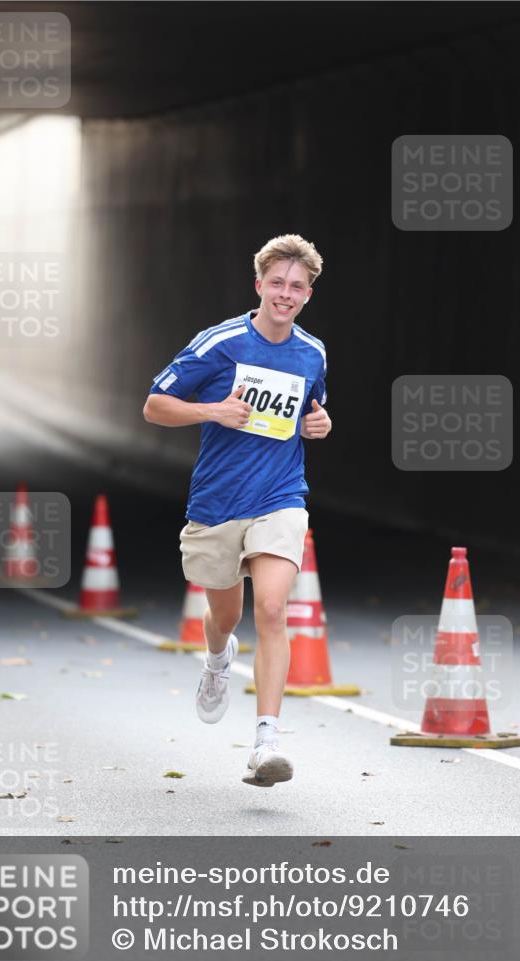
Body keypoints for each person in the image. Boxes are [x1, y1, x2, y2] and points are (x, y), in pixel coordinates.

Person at [143, 234, 332, 787]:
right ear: (259, 285)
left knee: (272, 609)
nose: (285, 293)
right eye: (277, 283)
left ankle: (265, 741)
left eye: (297, 287)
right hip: (219, 501)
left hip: (280, 495)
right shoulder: (220, 343)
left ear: (307, 295)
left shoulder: (313, 352)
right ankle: (218, 659)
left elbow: (313, 413)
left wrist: (321, 425)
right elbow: (155, 405)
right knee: (225, 615)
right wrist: (214, 411)